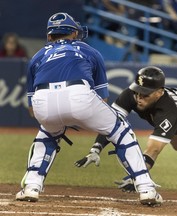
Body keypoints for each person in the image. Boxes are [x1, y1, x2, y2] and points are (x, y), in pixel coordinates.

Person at [15, 12, 162, 207]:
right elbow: (103, 97)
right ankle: (146, 188)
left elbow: (32, 110)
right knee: (121, 131)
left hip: (43, 101)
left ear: (49, 36)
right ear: (74, 33)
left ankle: (32, 186)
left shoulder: (37, 56)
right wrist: (80, 116)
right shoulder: (88, 50)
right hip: (79, 94)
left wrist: (59, 121)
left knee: (47, 134)